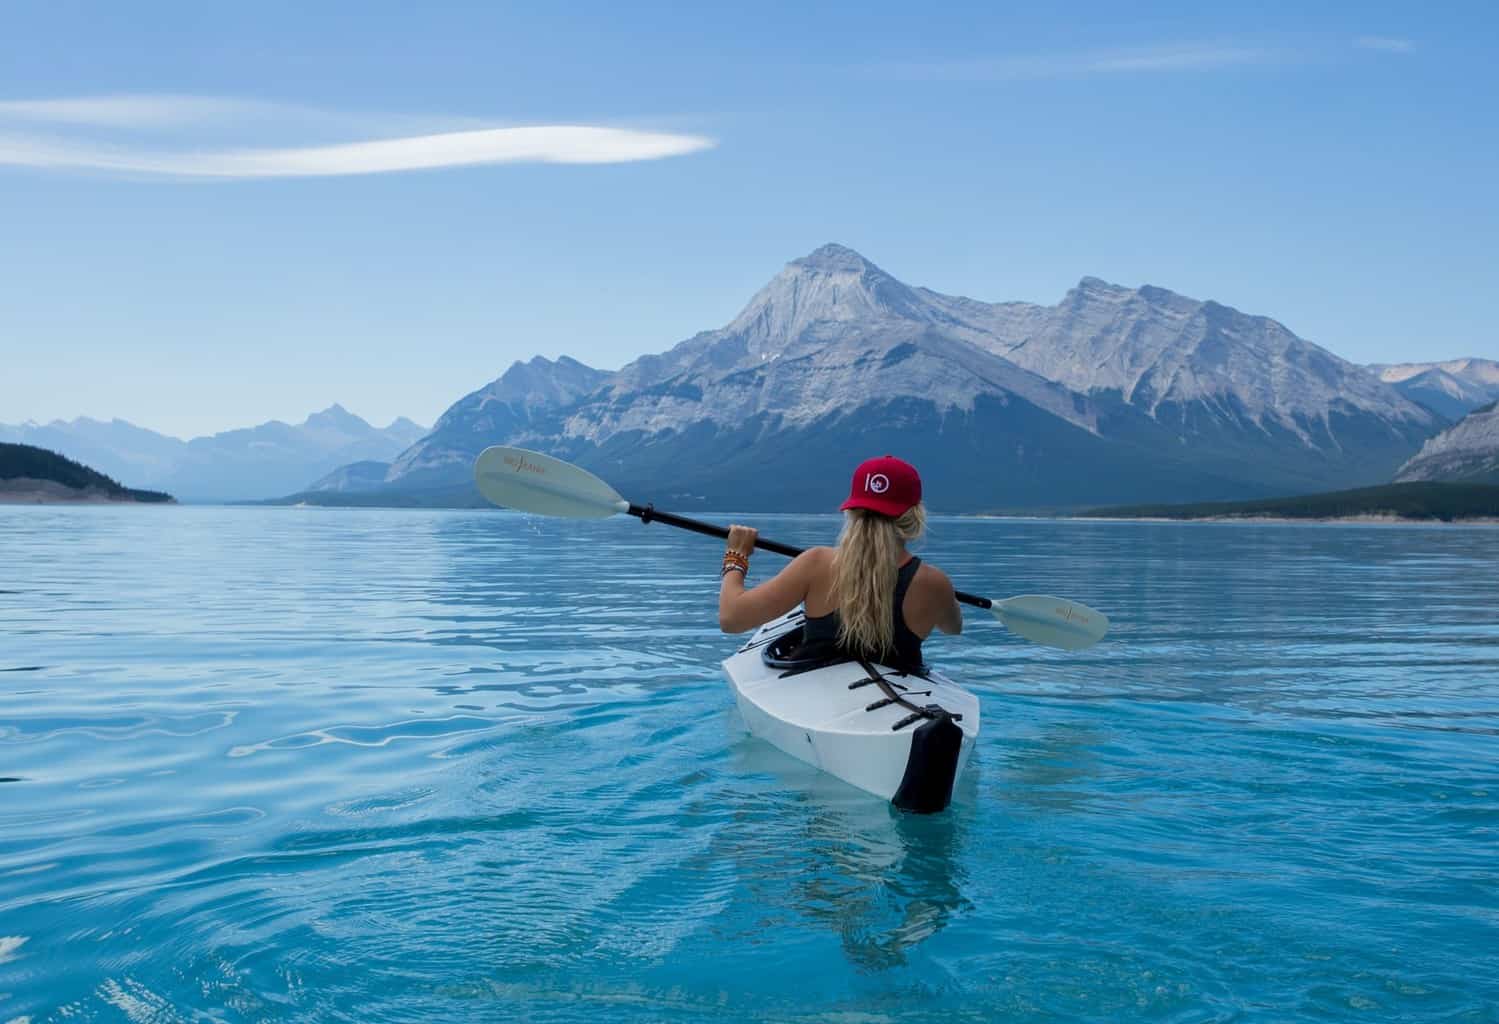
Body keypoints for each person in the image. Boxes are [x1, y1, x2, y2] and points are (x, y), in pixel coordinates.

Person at [718, 455, 962, 671]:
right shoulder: (934, 582)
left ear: (851, 511)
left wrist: (736, 556)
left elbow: (731, 619)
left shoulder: (817, 563)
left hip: (814, 694)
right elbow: (953, 628)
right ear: (915, 517)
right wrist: (943, 596)